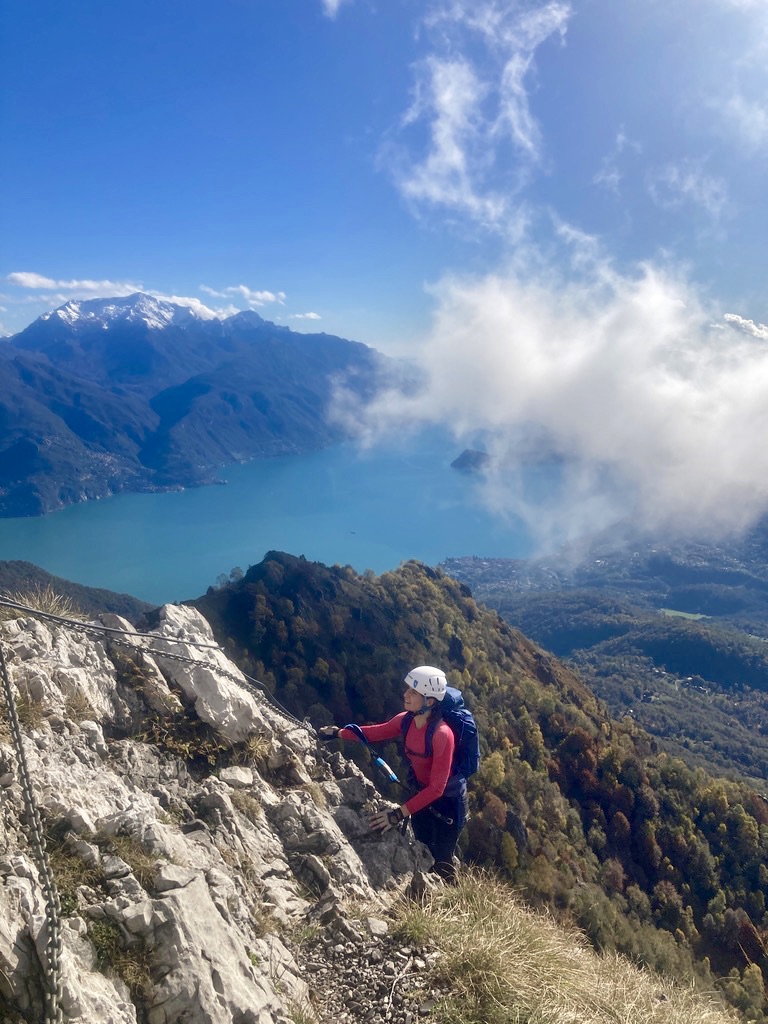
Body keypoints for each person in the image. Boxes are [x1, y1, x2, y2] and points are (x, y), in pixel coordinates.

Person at [319, 665, 467, 882]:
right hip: (421, 794)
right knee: (423, 848)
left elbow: (438, 788)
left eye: (413, 692)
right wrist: (339, 733)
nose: (406, 694)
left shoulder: (442, 735)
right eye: (408, 689)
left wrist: (398, 814)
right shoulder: (406, 720)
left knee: (442, 861)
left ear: (430, 702)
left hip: (448, 806)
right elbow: (377, 732)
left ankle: (450, 902)